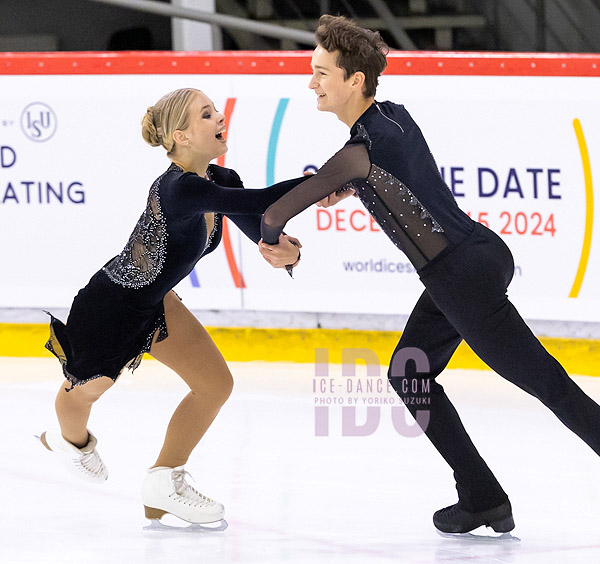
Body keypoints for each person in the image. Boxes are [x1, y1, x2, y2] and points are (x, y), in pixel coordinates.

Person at [258, 14, 600, 535]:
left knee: (547, 384)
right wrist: (346, 186)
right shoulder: (393, 119)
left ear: (355, 80)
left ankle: (483, 495)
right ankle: (482, 496)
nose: (312, 83)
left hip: (458, 275)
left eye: (322, 73)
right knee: (409, 373)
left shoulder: (358, 153)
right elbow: (385, 172)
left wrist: (271, 240)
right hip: (474, 258)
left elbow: (276, 214)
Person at [40, 87, 304, 527]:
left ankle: (163, 481)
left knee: (215, 385)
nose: (219, 117)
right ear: (180, 136)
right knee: (85, 391)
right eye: (206, 114)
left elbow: (262, 224)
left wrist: (285, 251)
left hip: (158, 302)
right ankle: (68, 442)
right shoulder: (178, 189)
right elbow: (264, 200)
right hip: (112, 307)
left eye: (216, 110)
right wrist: (334, 180)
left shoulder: (219, 181)